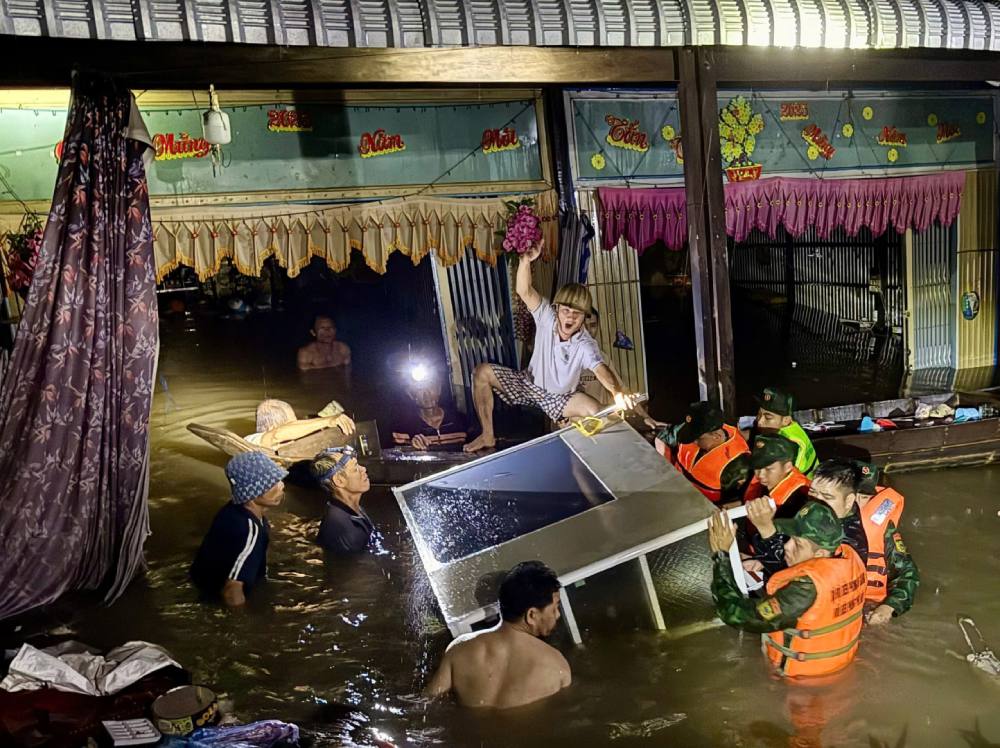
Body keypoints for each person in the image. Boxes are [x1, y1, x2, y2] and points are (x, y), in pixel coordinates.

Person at [463, 240, 646, 452]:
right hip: (529, 384)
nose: (570, 317)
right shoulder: (546, 316)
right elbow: (524, 291)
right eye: (566, 310)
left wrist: (617, 393)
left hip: (561, 398)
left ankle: (614, 451)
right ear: (556, 308)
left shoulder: (585, 344)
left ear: (584, 318)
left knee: (597, 412)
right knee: (481, 372)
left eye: (577, 314)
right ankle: (487, 435)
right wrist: (525, 261)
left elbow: (601, 369)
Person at [709, 501, 868, 679]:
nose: (787, 545)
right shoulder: (848, 557)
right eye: (790, 537)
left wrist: (721, 556)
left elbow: (737, 615)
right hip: (838, 669)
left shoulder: (804, 591)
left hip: (803, 685)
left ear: (820, 554)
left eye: (797, 544)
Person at [424, 561, 571, 708]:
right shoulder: (556, 667)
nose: (557, 615)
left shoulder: (459, 650)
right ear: (532, 615)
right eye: (554, 608)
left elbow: (427, 702)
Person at [190, 452, 287, 606]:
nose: (281, 485)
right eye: (271, 483)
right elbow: (231, 591)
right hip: (214, 598)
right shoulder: (251, 531)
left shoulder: (231, 510)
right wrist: (243, 626)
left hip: (200, 582)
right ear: (252, 494)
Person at [746, 459, 868, 579]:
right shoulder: (818, 516)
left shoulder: (846, 544)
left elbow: (796, 580)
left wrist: (765, 529)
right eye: (813, 493)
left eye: (827, 497)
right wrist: (762, 562)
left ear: (849, 501)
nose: (816, 502)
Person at [854, 461, 919, 625]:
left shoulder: (884, 530)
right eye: (853, 494)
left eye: (864, 497)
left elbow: (907, 573)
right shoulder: (822, 521)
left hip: (872, 605)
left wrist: (888, 608)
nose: (856, 502)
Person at [655, 401, 750, 505]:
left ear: (716, 436)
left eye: (697, 438)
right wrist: (667, 471)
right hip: (672, 489)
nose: (692, 441)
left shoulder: (738, 464)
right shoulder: (695, 427)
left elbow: (735, 503)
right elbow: (663, 437)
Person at [312, 446, 377, 554]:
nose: (363, 469)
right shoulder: (344, 531)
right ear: (339, 480)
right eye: (355, 469)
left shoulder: (351, 508)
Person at [391, 366, 467, 450]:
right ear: (411, 395)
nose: (426, 394)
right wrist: (413, 448)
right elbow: (399, 455)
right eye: (420, 389)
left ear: (439, 389)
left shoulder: (460, 420)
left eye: (431, 386)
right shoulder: (404, 427)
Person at [747, 387, 818, 477]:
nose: (760, 422)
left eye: (768, 417)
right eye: (759, 415)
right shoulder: (792, 427)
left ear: (786, 420)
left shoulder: (789, 443)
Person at [246, 399, 355, 450]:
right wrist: (328, 421)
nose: (295, 431)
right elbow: (276, 435)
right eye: (291, 424)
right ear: (271, 427)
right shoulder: (252, 441)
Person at [742, 435, 811, 514]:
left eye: (769, 469)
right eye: (757, 467)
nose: (760, 475)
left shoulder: (801, 499)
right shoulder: (766, 481)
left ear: (787, 467)